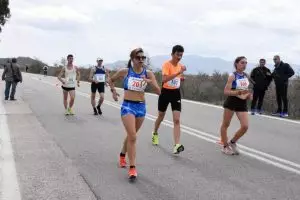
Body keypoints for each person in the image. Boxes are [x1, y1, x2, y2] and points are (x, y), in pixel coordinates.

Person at [107, 48, 160, 180]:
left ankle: (122, 155)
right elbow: (111, 80)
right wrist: (113, 91)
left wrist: (150, 82)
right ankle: (132, 168)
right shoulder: (125, 72)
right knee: (133, 137)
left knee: (132, 135)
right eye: (138, 57)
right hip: (128, 106)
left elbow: (159, 91)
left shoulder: (149, 74)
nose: (141, 60)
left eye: (143, 58)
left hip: (141, 107)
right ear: (132, 59)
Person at [152, 45, 186, 154]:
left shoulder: (180, 66)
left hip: (176, 93)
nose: (179, 57)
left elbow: (177, 78)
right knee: (161, 116)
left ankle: (176, 145)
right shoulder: (167, 65)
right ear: (172, 54)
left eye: (181, 55)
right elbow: (165, 79)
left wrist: (181, 78)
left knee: (176, 120)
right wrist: (178, 73)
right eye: (177, 55)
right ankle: (155, 133)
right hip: (165, 93)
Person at [220, 56, 252, 155]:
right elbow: (226, 91)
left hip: (242, 103)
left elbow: (245, 89)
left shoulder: (246, 75)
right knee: (226, 124)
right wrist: (239, 93)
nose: (244, 65)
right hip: (232, 101)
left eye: (246, 63)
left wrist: (248, 95)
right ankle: (225, 146)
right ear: (236, 64)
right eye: (242, 63)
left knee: (245, 126)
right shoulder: (232, 76)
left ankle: (232, 142)